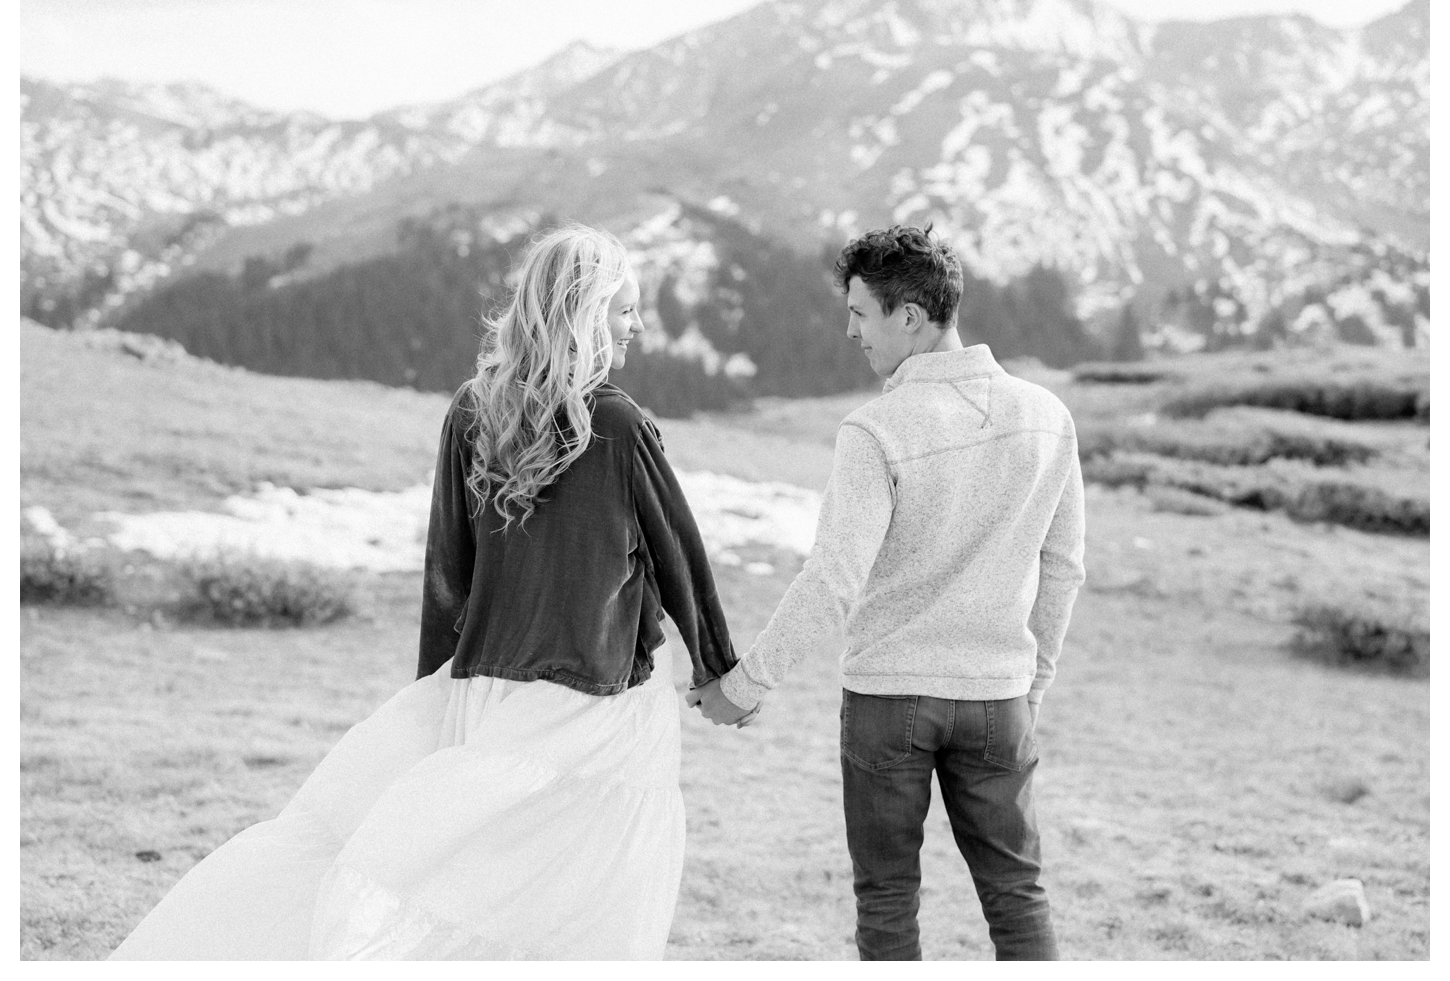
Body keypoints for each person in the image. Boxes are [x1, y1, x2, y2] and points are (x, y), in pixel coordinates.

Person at [111, 223, 744, 960]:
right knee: (584, 890)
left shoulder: (474, 409)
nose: (637, 325)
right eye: (624, 309)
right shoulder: (620, 423)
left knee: (462, 876)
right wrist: (719, 673)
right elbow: (680, 560)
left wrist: (438, 688)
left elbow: (449, 570)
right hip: (600, 704)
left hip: (486, 691)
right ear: (581, 313)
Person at [689, 224, 1086, 961]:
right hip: (998, 698)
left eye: (861, 314)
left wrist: (746, 684)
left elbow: (833, 581)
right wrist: (1030, 688)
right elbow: (1063, 567)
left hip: (888, 703)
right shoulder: (1047, 417)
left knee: (887, 898)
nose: (851, 331)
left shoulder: (876, 428)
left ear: (910, 317)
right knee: (1017, 894)